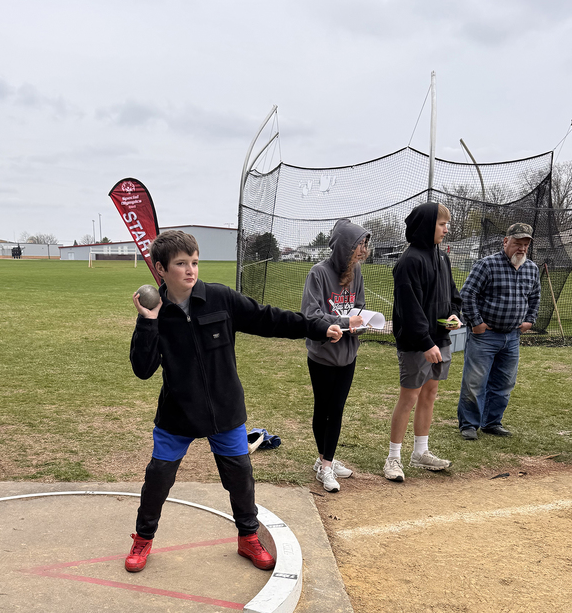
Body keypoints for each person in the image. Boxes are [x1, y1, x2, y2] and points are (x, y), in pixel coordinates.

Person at [126, 229, 343, 572]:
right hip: (177, 414)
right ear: (161, 269)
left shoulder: (219, 298)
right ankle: (143, 540)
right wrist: (147, 322)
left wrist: (317, 327)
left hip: (225, 409)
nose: (190, 270)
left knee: (240, 478)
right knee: (158, 479)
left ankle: (248, 537)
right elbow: (142, 368)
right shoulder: (157, 313)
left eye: (194, 262)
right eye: (181, 264)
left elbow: (267, 318)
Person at [383, 202, 462, 483]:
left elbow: (452, 294)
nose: (446, 229)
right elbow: (410, 308)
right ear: (428, 225)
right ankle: (393, 457)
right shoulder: (409, 261)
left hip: (440, 339)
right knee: (410, 397)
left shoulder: (442, 258)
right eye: (442, 224)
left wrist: (455, 314)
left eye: (446, 224)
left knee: (430, 395)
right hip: (418, 344)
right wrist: (427, 343)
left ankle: (421, 452)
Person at [301, 219, 370, 493]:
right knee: (324, 407)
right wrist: (344, 322)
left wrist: (362, 321)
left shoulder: (357, 271)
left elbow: (360, 306)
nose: (362, 251)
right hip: (323, 355)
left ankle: (325, 461)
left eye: (364, 245)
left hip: (348, 354)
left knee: (337, 409)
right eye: (358, 246)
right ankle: (326, 465)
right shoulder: (318, 273)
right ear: (344, 247)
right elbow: (311, 314)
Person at [456, 223, 541, 440]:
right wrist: (476, 323)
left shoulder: (531, 268)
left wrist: (530, 320)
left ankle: (492, 422)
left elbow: (535, 297)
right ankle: (469, 425)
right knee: (475, 382)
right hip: (485, 335)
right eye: (517, 243)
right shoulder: (486, 265)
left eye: (525, 245)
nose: (521, 248)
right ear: (505, 242)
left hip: (512, 337)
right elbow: (467, 294)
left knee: (504, 383)